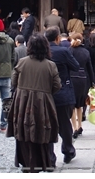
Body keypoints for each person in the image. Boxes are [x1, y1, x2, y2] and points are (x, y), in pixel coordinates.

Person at [6, 33, 61, 173]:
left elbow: (14, 82)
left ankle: (25, 162)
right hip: (43, 102)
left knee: (23, 132)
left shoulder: (22, 62)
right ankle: (42, 162)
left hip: (22, 101)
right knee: (42, 131)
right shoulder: (51, 65)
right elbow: (57, 86)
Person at [47, 26, 80, 166]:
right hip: (63, 90)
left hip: (46, 92)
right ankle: (68, 150)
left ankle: (49, 157)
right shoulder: (63, 51)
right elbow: (76, 66)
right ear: (57, 38)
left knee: (47, 125)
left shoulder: (42, 51)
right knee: (64, 123)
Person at [69, 32, 95, 139]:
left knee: (72, 104)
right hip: (83, 78)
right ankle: (80, 125)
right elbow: (90, 68)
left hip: (72, 77)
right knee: (80, 104)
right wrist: (93, 82)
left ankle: (74, 127)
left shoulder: (69, 50)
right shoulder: (86, 51)